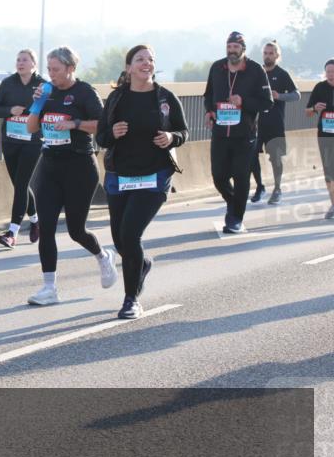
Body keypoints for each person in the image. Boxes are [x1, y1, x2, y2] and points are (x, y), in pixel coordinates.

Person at [96, 45, 188, 319]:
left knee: (130, 234)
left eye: (150, 60)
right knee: (120, 239)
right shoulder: (116, 98)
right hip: (120, 176)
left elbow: (183, 131)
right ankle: (142, 264)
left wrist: (172, 138)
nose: (146, 64)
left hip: (154, 175)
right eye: (140, 60)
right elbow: (101, 138)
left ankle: (130, 300)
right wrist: (112, 132)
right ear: (128, 67)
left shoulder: (166, 97)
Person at [24, 46, 117, 305]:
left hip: (79, 166)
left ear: (70, 68)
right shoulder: (46, 91)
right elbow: (32, 127)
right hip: (50, 165)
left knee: (76, 230)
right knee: (47, 227)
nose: (51, 74)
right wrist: (37, 104)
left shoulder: (84, 92)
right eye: (49, 69)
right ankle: (49, 288)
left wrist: (74, 124)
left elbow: (102, 125)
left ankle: (103, 256)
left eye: (56, 69)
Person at [202, 32, 273, 233]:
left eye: (235, 47)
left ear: (243, 49)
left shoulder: (255, 70)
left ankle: (236, 219)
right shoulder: (217, 68)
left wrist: (244, 101)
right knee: (218, 176)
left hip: (245, 134)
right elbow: (208, 95)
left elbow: (267, 102)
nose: (231, 50)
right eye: (229, 46)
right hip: (220, 133)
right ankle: (234, 203)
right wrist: (209, 111)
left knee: (241, 176)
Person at [0, 49, 44, 249]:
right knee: (19, 185)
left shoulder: (42, 85)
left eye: (25, 60)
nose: (20, 63)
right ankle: (36, 221)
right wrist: (9, 111)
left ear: (34, 64)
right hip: (10, 140)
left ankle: (12, 232)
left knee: (21, 184)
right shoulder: (7, 83)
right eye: (18, 59)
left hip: (32, 141)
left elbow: (49, 109)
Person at [250, 41, 300, 204]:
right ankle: (259, 187)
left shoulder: (282, 74)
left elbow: (297, 95)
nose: (267, 56)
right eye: (265, 53)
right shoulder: (257, 73)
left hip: (275, 123)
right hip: (256, 124)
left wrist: (280, 96)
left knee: (276, 159)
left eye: (271, 53)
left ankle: (277, 189)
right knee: (251, 155)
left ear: (277, 56)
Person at [305, 58, 334, 220]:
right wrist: (314, 108)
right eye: (328, 72)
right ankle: (333, 203)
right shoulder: (320, 88)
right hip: (325, 135)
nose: (331, 75)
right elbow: (307, 111)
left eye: (333, 72)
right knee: (329, 170)